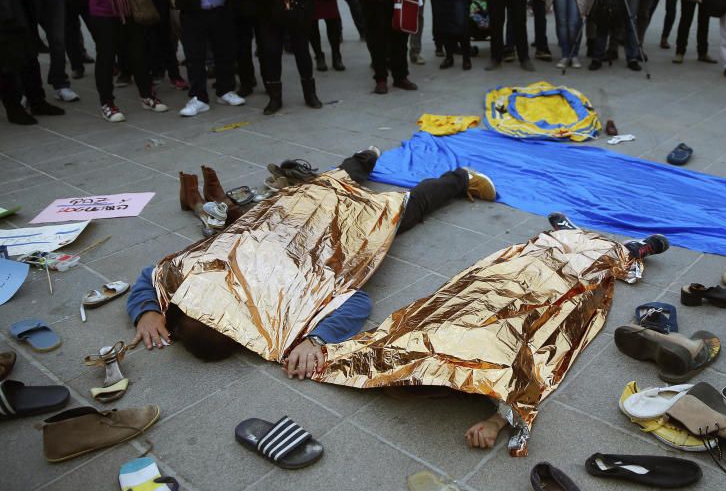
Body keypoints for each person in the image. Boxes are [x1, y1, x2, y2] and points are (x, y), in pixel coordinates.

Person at [126, 147, 498, 373]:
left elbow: (153, 275)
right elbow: (356, 302)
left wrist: (147, 309)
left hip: (281, 218)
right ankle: (459, 178)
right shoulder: (279, 309)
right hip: (333, 237)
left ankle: (363, 160)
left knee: (325, 186)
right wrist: (317, 339)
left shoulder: (197, 278)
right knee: (395, 212)